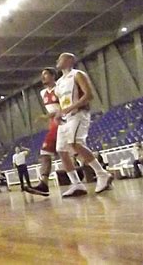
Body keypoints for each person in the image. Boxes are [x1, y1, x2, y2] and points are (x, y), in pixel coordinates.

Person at [54, 53, 113, 197]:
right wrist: (58, 113)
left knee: (75, 143)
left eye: (61, 58)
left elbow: (89, 95)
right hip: (66, 118)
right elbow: (62, 103)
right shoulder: (59, 82)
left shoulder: (78, 74)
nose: (58, 61)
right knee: (61, 150)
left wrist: (71, 107)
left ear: (70, 60)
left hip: (79, 114)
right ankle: (76, 184)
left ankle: (102, 174)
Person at [26, 68, 60, 197]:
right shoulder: (42, 93)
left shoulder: (59, 88)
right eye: (42, 75)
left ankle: (101, 173)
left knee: (75, 152)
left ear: (53, 76)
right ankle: (44, 184)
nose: (43, 77)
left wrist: (46, 116)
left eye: (45, 74)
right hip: (54, 125)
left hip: (63, 122)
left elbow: (63, 107)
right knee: (46, 153)